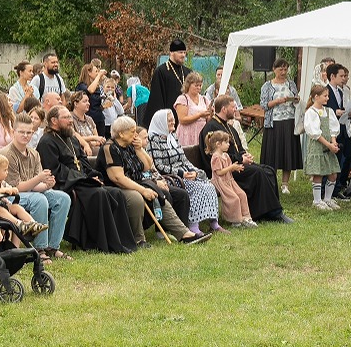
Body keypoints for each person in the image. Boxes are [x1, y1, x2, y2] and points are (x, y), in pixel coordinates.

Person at [37, 105, 134, 254]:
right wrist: (83, 178)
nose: (70, 120)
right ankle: (99, 242)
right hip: (66, 184)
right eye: (66, 118)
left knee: (116, 193)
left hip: (81, 181)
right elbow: (55, 170)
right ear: (54, 121)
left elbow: (83, 161)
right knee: (99, 194)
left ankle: (122, 241)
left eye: (70, 117)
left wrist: (92, 175)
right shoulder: (46, 142)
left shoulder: (72, 138)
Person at [97, 117, 199, 246]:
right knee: (136, 198)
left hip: (135, 182)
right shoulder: (110, 148)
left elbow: (147, 166)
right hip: (114, 187)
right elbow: (117, 178)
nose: (136, 135)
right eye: (132, 131)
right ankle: (139, 239)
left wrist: (139, 149)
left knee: (159, 194)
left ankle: (183, 233)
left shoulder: (130, 145)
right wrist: (143, 190)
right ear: (121, 134)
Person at [199, 95, 292, 223]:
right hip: (225, 171)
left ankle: (266, 212)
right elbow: (214, 155)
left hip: (236, 165)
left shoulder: (229, 127)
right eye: (233, 107)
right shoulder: (211, 128)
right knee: (258, 172)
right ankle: (275, 213)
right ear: (224, 109)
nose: (236, 109)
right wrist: (240, 159)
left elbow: (239, 149)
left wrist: (245, 155)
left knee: (268, 170)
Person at [145, 109, 221, 234]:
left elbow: (184, 159)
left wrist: (195, 172)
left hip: (185, 173)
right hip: (171, 177)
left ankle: (214, 222)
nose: (173, 122)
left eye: (173, 119)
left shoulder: (172, 136)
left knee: (209, 185)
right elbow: (158, 165)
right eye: (169, 120)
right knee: (198, 188)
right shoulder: (153, 139)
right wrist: (182, 173)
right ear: (161, 122)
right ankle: (193, 224)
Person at [259, 59, 302, 194]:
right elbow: (264, 105)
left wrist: (295, 100)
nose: (283, 72)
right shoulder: (267, 85)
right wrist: (277, 101)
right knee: (272, 153)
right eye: (280, 69)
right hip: (274, 122)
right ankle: (270, 181)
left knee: (287, 152)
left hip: (289, 121)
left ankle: (285, 184)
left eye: (285, 69)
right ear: (274, 69)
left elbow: (296, 99)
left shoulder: (291, 84)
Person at [302, 84, 342, 210]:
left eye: (327, 96)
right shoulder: (311, 112)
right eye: (325, 96)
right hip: (318, 146)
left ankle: (327, 199)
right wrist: (328, 144)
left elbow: (333, 129)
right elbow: (315, 133)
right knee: (318, 174)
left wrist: (333, 142)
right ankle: (317, 201)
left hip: (328, 146)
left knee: (333, 174)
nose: (327, 98)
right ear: (316, 97)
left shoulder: (329, 111)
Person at [205, 131, 255, 227]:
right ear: (218, 144)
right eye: (226, 142)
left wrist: (235, 168)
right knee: (234, 198)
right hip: (220, 182)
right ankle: (235, 220)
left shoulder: (226, 155)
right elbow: (219, 172)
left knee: (242, 194)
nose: (229, 144)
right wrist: (231, 167)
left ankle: (246, 217)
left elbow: (228, 168)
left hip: (229, 181)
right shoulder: (216, 157)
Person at [324, 63, 351, 198]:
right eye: (341, 76)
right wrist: (334, 111)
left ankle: (338, 187)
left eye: (345, 76)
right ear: (332, 76)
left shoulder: (342, 91)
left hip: (342, 128)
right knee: (331, 160)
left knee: (343, 158)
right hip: (330, 130)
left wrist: (348, 113)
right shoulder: (325, 90)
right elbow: (320, 108)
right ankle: (328, 189)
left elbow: (343, 108)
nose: (344, 78)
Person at [143, 40, 190, 126]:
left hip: (185, 117)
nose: (183, 55)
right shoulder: (161, 72)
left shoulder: (188, 72)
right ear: (171, 53)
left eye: (184, 52)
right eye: (180, 52)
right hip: (169, 119)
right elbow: (157, 99)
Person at [74, 62, 106, 135]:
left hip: (99, 118)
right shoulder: (81, 86)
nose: (98, 73)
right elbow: (90, 90)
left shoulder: (97, 87)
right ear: (89, 72)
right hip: (88, 118)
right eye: (96, 71)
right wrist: (99, 76)